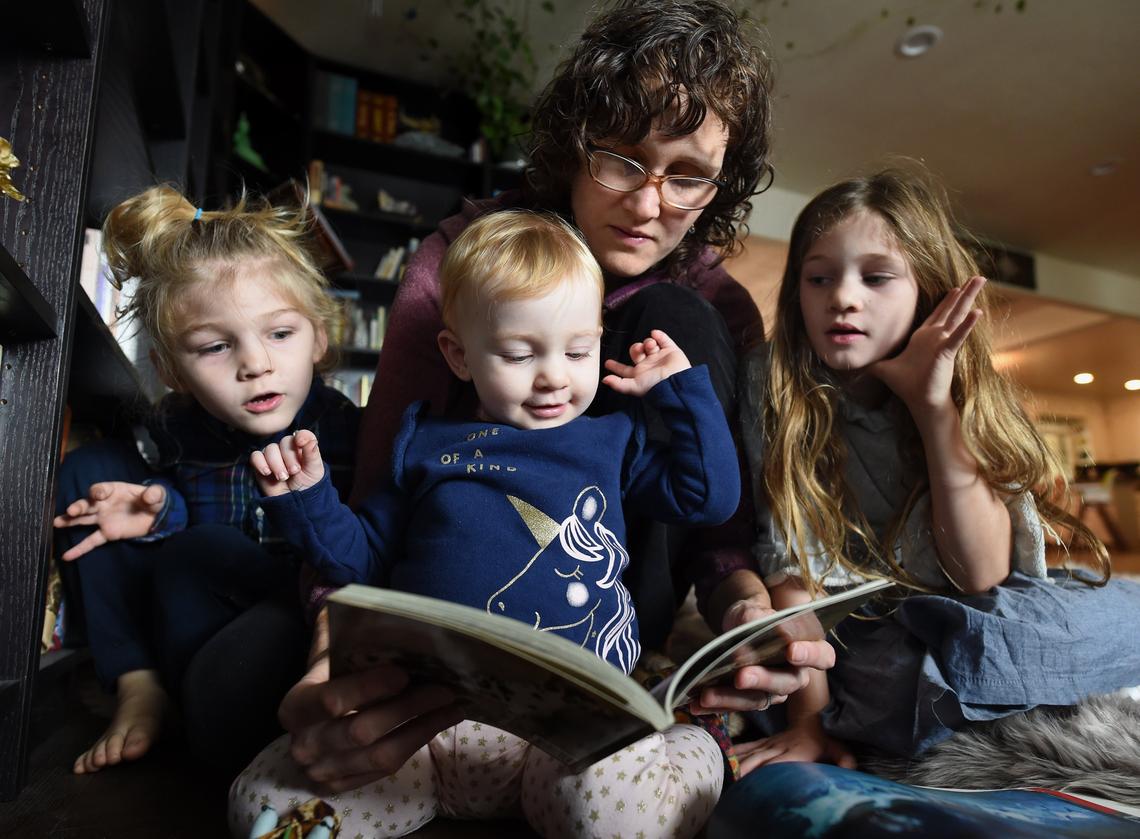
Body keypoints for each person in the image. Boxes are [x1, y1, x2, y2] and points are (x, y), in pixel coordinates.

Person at [275, 0, 837, 797]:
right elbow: (380, 500)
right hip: (455, 587)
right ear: (573, 146)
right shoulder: (464, 263)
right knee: (232, 692)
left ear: (720, 185)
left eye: (687, 177)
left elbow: (717, 519)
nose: (648, 205)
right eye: (620, 160)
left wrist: (746, 607)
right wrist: (331, 667)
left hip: (607, 583)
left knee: (679, 316)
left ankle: (639, 704)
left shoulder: (715, 305)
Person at [230, 209, 742, 838]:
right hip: (428, 728)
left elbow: (710, 498)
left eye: (578, 350)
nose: (554, 375)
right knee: (263, 803)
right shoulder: (424, 443)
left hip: (565, 742)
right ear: (460, 355)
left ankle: (700, 750)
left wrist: (679, 391)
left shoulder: (612, 439)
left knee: (618, 818)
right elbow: (361, 563)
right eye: (518, 353)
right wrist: (307, 496)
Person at [728, 162, 1140, 789]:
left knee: (1088, 618)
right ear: (797, 292)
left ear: (927, 290)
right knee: (894, 675)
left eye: (876, 277)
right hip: (866, 627)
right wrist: (809, 724)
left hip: (982, 607)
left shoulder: (964, 386)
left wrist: (932, 407)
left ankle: (982, 687)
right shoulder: (772, 381)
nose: (843, 297)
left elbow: (981, 576)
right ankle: (977, 692)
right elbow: (795, 577)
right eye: (819, 278)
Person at [52, 185, 359, 775]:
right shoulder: (178, 427)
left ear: (319, 336)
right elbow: (184, 520)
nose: (255, 364)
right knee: (94, 472)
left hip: (301, 619)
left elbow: (353, 556)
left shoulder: (349, 431)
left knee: (210, 558)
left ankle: (217, 715)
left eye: (279, 334)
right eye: (216, 346)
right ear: (173, 370)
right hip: (193, 613)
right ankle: (138, 685)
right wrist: (157, 509)